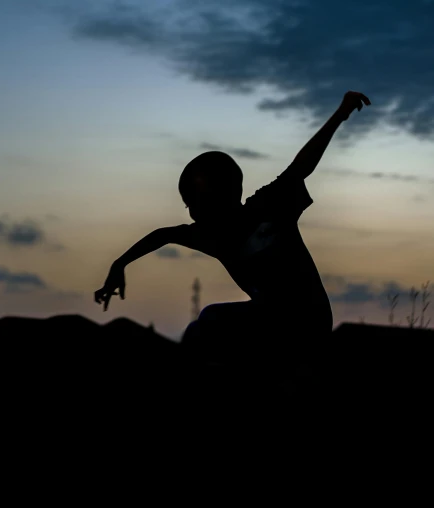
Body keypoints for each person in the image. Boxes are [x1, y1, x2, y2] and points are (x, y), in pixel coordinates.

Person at [95, 91, 371, 377]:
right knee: (203, 327)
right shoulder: (210, 236)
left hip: (308, 320)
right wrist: (120, 263)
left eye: (195, 203)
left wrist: (340, 114)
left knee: (210, 320)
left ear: (222, 195)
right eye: (188, 206)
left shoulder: (267, 206)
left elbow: (302, 166)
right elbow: (163, 235)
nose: (192, 213)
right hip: (272, 323)